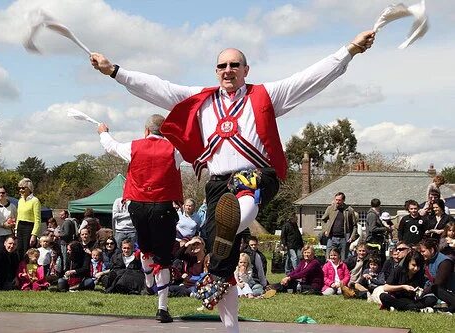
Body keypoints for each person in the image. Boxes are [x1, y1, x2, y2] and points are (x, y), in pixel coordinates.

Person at [90, 30, 374, 332]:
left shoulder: (265, 95)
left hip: (256, 174)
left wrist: (349, 50)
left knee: (244, 191)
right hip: (217, 185)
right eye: (223, 66)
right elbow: (158, 88)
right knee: (221, 265)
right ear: (216, 71)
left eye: (235, 65)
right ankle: (232, 326)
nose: (228, 70)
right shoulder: (202, 100)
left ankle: (234, 223)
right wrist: (114, 71)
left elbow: (307, 80)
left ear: (246, 70)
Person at [96, 114, 183, 323]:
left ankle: (147, 277)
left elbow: (112, 147)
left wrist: (103, 132)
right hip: (162, 206)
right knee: (163, 258)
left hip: (138, 206)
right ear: (165, 132)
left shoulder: (134, 147)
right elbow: (196, 154)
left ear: (146, 131)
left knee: (145, 248)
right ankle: (162, 308)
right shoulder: (174, 150)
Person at [419, 238, 455, 314]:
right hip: (430, 291)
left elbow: (437, 284)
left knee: (435, 290)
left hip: (445, 292)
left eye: (423, 251)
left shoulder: (445, 262)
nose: (421, 254)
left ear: (431, 250)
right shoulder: (426, 260)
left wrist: (422, 293)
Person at [322, 192, 357, 259]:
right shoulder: (330, 209)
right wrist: (325, 230)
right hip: (332, 238)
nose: (337, 202)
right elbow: (323, 220)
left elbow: (354, 225)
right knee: (329, 258)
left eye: (339, 200)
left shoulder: (349, 210)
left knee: (343, 259)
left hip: (343, 238)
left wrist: (352, 237)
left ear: (343, 200)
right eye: (336, 200)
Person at [15, 178, 41, 260]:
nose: (21, 190)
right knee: (19, 250)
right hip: (20, 227)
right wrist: (16, 230)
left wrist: (34, 235)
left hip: (29, 227)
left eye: (23, 188)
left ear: (29, 188)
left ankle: (29, 271)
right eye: (19, 188)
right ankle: (20, 271)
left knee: (28, 252)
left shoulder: (35, 201)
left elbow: (37, 220)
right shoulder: (20, 200)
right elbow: (18, 217)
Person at [0, 186, 17, 250]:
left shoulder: (12, 206)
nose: (0, 194)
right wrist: (3, 225)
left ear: (6, 194)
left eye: (3, 193)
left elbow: (16, 220)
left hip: (9, 236)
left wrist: (12, 224)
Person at [365, 198, 388, 263]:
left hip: (377, 241)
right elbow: (372, 229)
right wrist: (385, 229)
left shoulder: (376, 214)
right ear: (379, 205)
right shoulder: (372, 215)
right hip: (373, 241)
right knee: (375, 260)